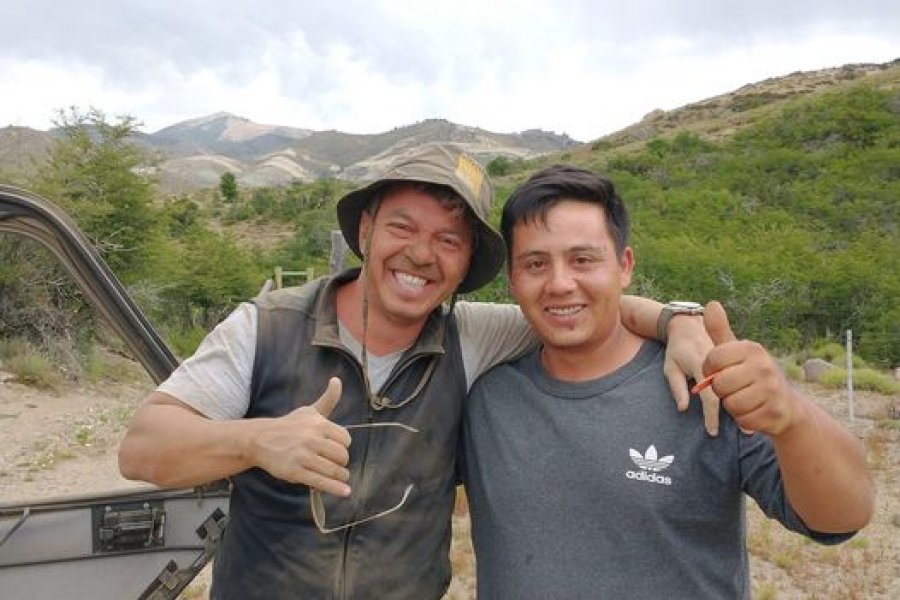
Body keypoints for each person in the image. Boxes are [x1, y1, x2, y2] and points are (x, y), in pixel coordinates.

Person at [118, 145, 714, 599]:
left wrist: (677, 320)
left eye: (449, 240)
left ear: (464, 266)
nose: (422, 254)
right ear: (364, 231)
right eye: (403, 227)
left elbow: (576, 307)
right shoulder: (267, 327)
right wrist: (255, 439)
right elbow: (143, 448)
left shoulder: (473, 336)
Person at [461, 165, 875, 599]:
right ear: (512, 280)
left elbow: (842, 517)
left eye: (582, 259)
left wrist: (793, 417)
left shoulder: (708, 381)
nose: (560, 283)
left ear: (624, 266)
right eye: (535, 263)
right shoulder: (486, 398)